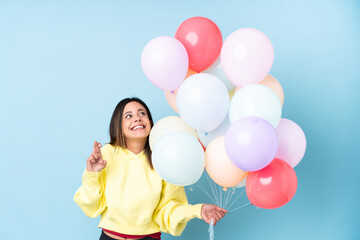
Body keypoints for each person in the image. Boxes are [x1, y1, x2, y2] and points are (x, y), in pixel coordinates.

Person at [74, 97, 227, 240]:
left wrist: (198, 210)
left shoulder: (164, 159)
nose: (137, 118)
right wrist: (92, 173)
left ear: (150, 122)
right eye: (128, 116)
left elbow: (168, 210)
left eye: (142, 113)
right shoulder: (105, 155)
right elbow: (90, 206)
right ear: (118, 126)